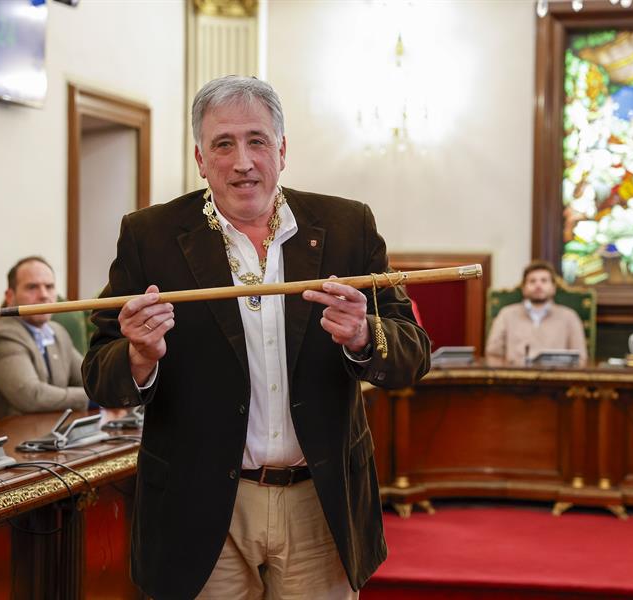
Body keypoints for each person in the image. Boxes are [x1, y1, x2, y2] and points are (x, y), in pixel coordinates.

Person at [82, 75, 431, 599]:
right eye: (223, 144)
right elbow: (98, 374)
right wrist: (138, 357)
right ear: (201, 159)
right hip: (198, 508)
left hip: (320, 501)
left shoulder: (346, 226)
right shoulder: (150, 236)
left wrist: (364, 335)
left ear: (282, 150)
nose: (242, 161)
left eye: (257, 141)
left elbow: (412, 354)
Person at [0, 257, 90, 419]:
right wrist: (96, 398)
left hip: (49, 432)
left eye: (49, 287)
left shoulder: (57, 332)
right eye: (32, 287)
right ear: (10, 296)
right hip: (6, 437)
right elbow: (33, 397)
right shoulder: (2, 336)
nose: (44, 295)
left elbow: (90, 379)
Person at [485, 259, 587, 366]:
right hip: (514, 379)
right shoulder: (506, 315)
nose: (538, 285)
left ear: (553, 288)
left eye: (544, 281)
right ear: (523, 288)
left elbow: (580, 358)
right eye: (532, 281)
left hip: (556, 379)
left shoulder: (569, 317)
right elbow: (493, 354)